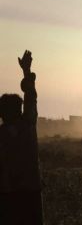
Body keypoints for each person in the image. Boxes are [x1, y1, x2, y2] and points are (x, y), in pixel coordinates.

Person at [0, 50, 43, 224]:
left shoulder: (3, 133)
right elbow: (31, 97)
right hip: (29, 189)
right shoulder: (28, 125)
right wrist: (26, 71)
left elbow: (31, 97)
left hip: (8, 192)